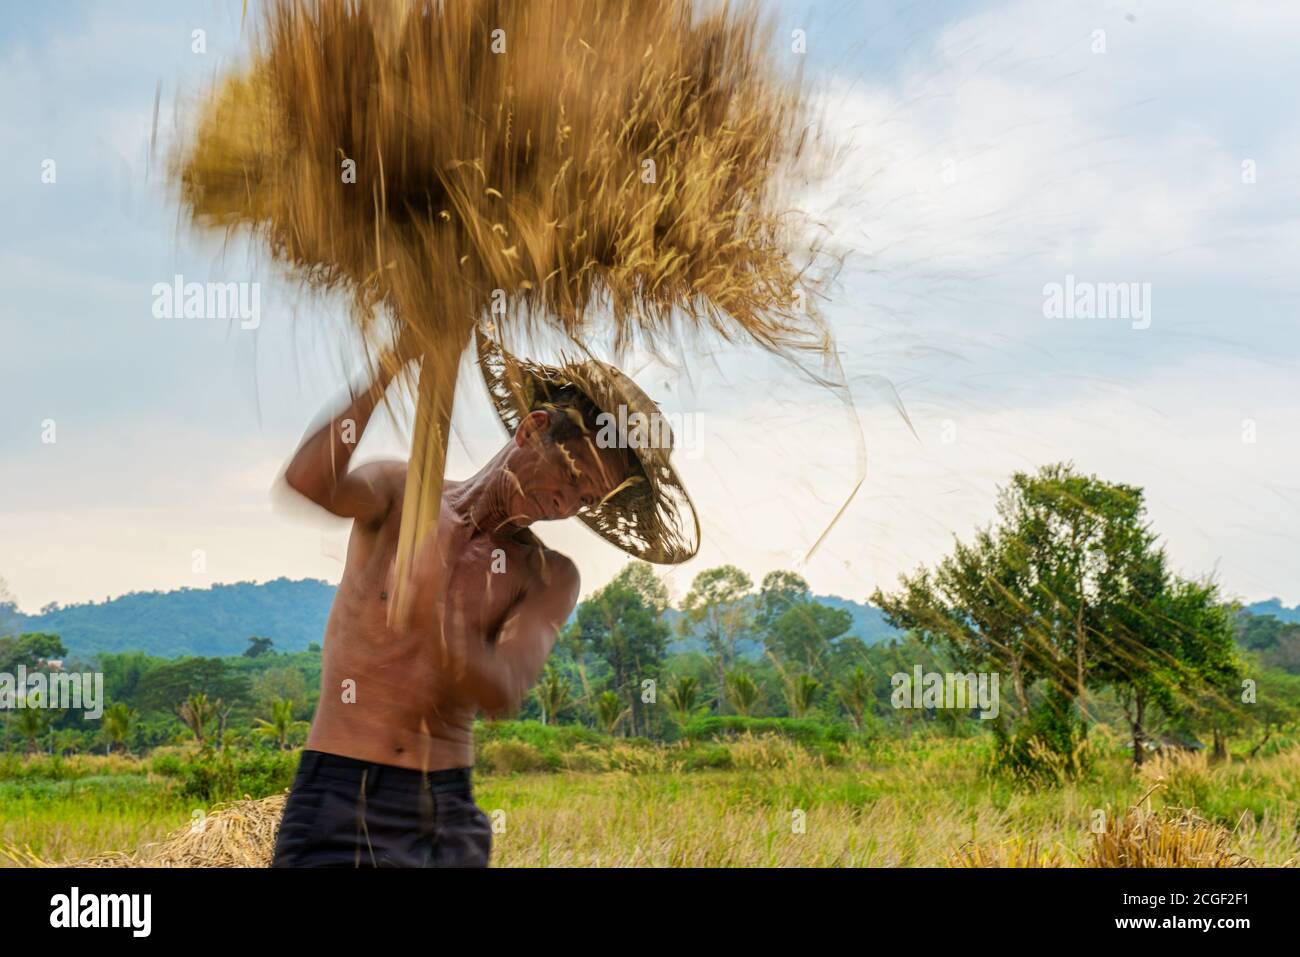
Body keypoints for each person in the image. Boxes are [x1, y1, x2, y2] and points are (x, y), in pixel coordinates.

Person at [270, 333, 699, 867]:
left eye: (585, 499)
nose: (566, 504)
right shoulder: (401, 494)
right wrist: (393, 362)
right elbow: (307, 481)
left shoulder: (547, 577)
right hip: (338, 794)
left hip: (441, 814)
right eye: (570, 474)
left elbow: (502, 692)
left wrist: (436, 617)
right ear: (532, 428)